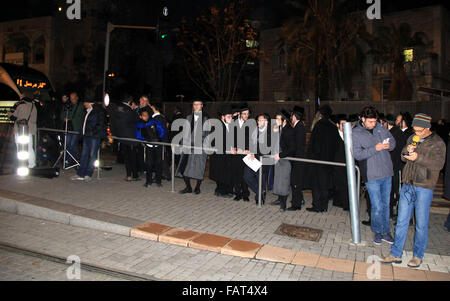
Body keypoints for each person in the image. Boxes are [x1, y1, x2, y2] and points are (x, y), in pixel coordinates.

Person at [381, 113, 446, 268]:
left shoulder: (437, 142)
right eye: (415, 130)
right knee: (402, 221)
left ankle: (418, 255)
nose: (417, 133)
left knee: (421, 223)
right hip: (408, 184)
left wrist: (418, 158)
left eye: (420, 131)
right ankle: (396, 253)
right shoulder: (412, 138)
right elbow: (403, 157)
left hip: (424, 186)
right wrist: (407, 152)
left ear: (428, 127)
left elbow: (439, 164)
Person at [352, 106, 396, 245]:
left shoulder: (380, 128)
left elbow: (393, 143)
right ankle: (378, 231)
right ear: (363, 119)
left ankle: (386, 231)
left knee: (386, 204)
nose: (373, 124)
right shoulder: (356, 133)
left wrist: (389, 145)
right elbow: (358, 155)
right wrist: (375, 149)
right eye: (370, 121)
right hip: (372, 174)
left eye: (374, 121)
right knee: (376, 206)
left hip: (387, 172)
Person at [306, 105, 341, 213]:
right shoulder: (333, 127)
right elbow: (336, 145)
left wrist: (310, 156)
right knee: (325, 184)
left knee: (316, 184)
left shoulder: (318, 126)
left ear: (320, 115)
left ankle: (317, 205)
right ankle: (324, 205)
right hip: (329, 161)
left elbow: (313, 144)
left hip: (318, 160)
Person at [176, 98, 209, 194]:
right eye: (195, 104)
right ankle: (188, 187)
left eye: (198, 104)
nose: (196, 106)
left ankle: (197, 187)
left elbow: (207, 134)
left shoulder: (206, 118)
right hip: (187, 147)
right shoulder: (189, 117)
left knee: (199, 168)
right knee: (183, 167)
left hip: (199, 147)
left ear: (202, 105)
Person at [71, 97, 106, 181]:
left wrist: (93, 132)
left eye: (85, 102)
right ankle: (80, 173)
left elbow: (100, 124)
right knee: (84, 154)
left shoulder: (98, 111)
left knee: (92, 155)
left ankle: (88, 174)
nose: (83, 104)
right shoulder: (87, 111)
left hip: (94, 136)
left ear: (89, 103)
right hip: (87, 136)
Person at [107, 95, 140, 181]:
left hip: (120, 136)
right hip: (130, 137)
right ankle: (135, 175)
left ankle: (128, 175)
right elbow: (137, 120)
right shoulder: (130, 111)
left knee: (126, 157)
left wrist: (114, 133)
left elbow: (112, 120)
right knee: (132, 156)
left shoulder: (117, 109)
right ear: (130, 102)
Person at [244, 113, 273, 204]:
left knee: (260, 179)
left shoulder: (271, 133)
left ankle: (259, 197)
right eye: (258, 120)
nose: (258, 122)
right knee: (247, 176)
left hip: (263, 160)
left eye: (260, 120)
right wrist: (249, 150)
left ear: (266, 122)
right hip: (252, 159)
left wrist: (255, 152)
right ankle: (260, 192)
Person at [271, 110, 295, 211]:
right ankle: (279, 199)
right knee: (278, 181)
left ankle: (283, 204)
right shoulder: (281, 128)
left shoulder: (289, 130)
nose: (275, 121)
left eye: (277, 119)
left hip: (285, 159)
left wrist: (280, 155)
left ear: (284, 120)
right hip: (279, 158)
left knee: (284, 182)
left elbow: (292, 147)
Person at [385, 114, 407, 219]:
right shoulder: (394, 133)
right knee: (392, 191)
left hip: (395, 167)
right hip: (393, 167)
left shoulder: (395, 134)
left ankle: (397, 214)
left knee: (395, 191)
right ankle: (391, 212)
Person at [210, 104, 235, 198]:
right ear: (223, 117)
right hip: (219, 154)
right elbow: (214, 142)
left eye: (231, 116)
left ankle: (226, 190)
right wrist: (228, 148)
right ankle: (220, 191)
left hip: (226, 154)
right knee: (220, 173)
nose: (230, 118)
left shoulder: (229, 125)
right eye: (228, 116)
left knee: (226, 173)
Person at [136, 110, 166, 187]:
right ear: (141, 116)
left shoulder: (154, 122)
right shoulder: (139, 125)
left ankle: (158, 181)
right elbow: (138, 136)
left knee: (158, 164)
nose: (146, 117)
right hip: (149, 147)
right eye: (144, 115)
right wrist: (145, 140)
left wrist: (159, 138)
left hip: (157, 146)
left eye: (147, 115)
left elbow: (162, 130)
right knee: (149, 164)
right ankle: (148, 181)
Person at [8, 94, 37, 168]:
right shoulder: (34, 106)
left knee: (19, 147)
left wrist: (9, 114)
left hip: (19, 129)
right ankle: (32, 164)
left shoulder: (19, 104)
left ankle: (21, 164)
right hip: (30, 130)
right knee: (30, 147)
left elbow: (13, 117)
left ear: (21, 97)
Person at [231, 103, 251, 202]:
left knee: (244, 174)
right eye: (244, 114)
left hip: (245, 153)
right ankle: (238, 193)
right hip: (235, 153)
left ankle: (245, 193)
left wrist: (248, 149)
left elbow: (251, 139)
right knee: (236, 173)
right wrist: (233, 148)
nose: (246, 116)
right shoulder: (233, 122)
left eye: (247, 114)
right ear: (239, 114)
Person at [289, 106, 307, 211]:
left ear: (295, 116)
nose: (291, 117)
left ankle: (296, 204)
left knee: (296, 181)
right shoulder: (298, 126)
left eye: (292, 115)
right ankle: (299, 199)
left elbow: (296, 145)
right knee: (295, 181)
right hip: (297, 157)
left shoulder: (298, 127)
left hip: (297, 158)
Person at [60, 92, 84, 166]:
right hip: (69, 127)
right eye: (71, 99)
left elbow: (80, 116)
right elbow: (62, 114)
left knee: (72, 144)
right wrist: (64, 118)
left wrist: (69, 119)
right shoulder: (68, 105)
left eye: (73, 98)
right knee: (69, 144)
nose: (72, 100)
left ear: (77, 98)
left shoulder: (80, 106)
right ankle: (74, 159)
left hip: (76, 127)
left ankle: (68, 160)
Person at [331, 114, 350, 210]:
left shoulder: (349, 136)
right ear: (338, 125)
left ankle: (342, 202)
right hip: (337, 163)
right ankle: (344, 203)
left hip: (346, 163)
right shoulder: (334, 135)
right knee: (340, 183)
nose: (345, 126)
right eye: (343, 124)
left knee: (345, 183)